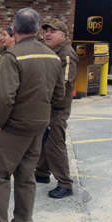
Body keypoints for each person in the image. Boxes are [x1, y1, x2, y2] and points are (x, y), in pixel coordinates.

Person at [0, 8, 65, 222]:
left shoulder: (11, 57)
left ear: (14, 29)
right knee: (26, 180)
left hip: (11, 130)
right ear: (37, 30)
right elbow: (59, 97)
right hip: (36, 130)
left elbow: (3, 98)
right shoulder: (54, 58)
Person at [35, 20, 79, 199]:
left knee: (55, 143)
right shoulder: (52, 52)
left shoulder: (66, 54)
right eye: (46, 30)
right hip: (47, 105)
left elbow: (65, 86)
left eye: (53, 31)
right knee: (46, 139)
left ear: (63, 35)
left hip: (57, 108)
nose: (48, 34)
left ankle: (65, 184)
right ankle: (42, 172)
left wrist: (44, 98)